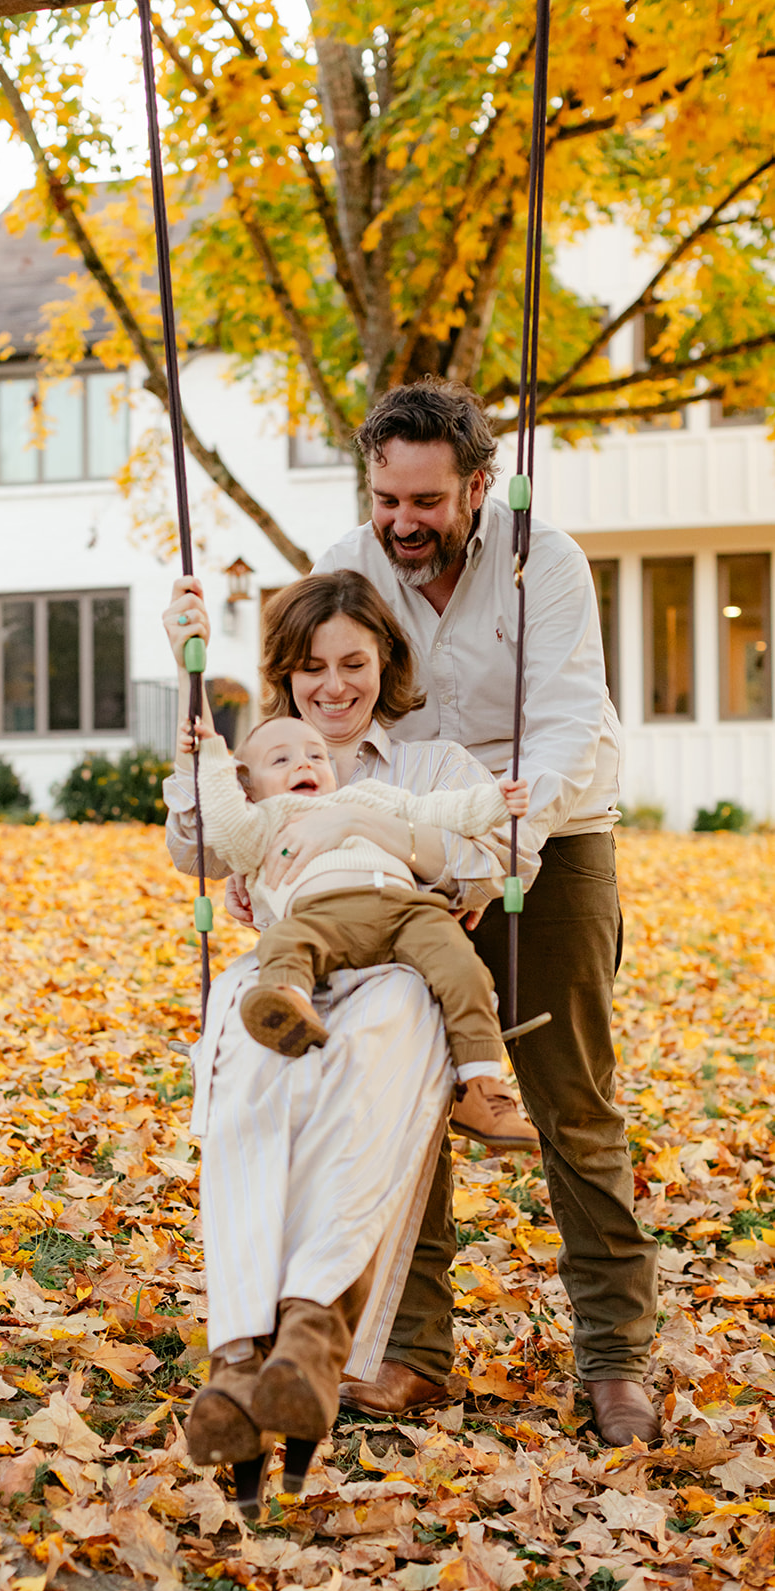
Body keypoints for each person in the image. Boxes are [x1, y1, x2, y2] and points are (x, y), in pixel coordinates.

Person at [311, 376, 660, 1447]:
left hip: (550, 843)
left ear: (476, 483)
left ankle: (613, 1356)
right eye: (386, 500)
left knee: (573, 1102)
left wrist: (488, 857)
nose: (402, 524)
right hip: (408, 846)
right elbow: (320, 703)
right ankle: (413, 1349)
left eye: (425, 501)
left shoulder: (540, 559)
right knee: (406, 1097)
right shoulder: (351, 564)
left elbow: (559, 732)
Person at [162, 570, 540, 1510]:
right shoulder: (256, 766)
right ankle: (245, 1349)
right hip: (293, 972)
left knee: (365, 1075)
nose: (333, 687)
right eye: (311, 668)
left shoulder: (429, 766)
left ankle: (309, 1329)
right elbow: (197, 843)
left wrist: (359, 832)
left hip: (397, 976)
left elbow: (495, 854)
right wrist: (192, 694)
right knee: (251, 1084)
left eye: (354, 664)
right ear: (285, 675)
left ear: (385, 664)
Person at [182, 713, 530, 1074]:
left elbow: (435, 810)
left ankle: (480, 1080)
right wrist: (210, 756)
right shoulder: (262, 823)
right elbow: (224, 822)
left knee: (459, 959)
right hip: (320, 917)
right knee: (284, 942)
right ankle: (287, 1005)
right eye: (281, 759)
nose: (304, 762)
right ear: (249, 789)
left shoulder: (365, 797)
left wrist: (494, 801)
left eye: (316, 756)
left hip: (406, 911)